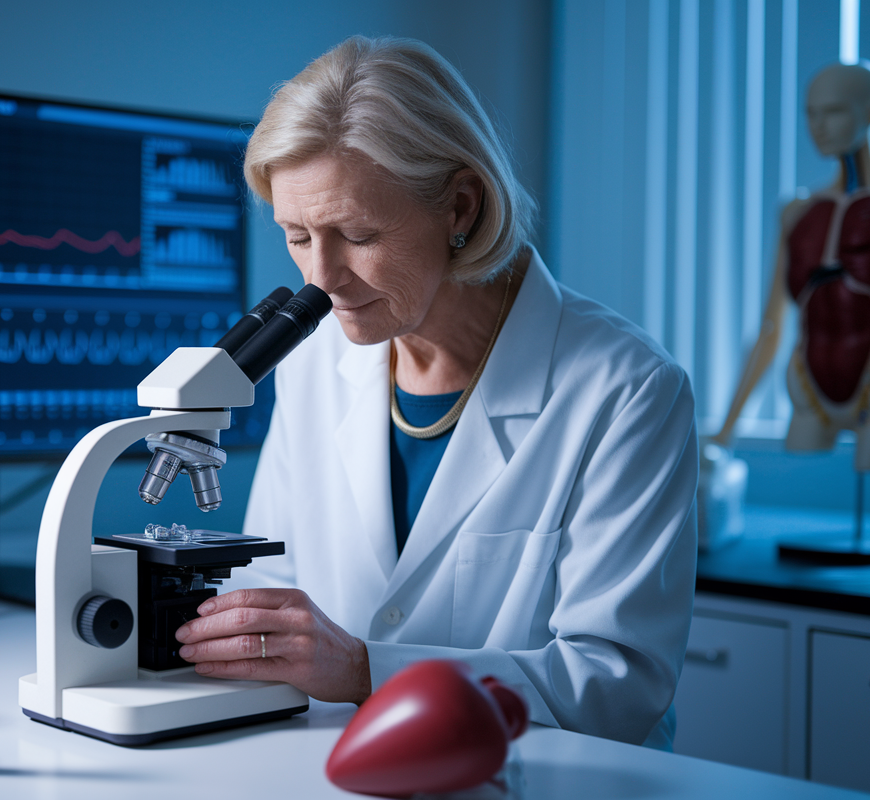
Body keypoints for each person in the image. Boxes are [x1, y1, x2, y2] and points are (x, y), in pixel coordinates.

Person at [173, 35, 698, 749]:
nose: (320, 277)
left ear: (459, 207)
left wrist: (366, 669)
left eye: (356, 234)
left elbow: (615, 685)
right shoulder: (314, 362)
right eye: (296, 236)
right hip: (337, 767)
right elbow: (276, 580)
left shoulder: (626, 389)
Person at [711, 61, 870, 506]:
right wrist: (727, 429)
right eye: (811, 113)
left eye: (835, 112)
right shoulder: (796, 210)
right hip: (807, 392)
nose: (819, 127)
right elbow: (771, 326)